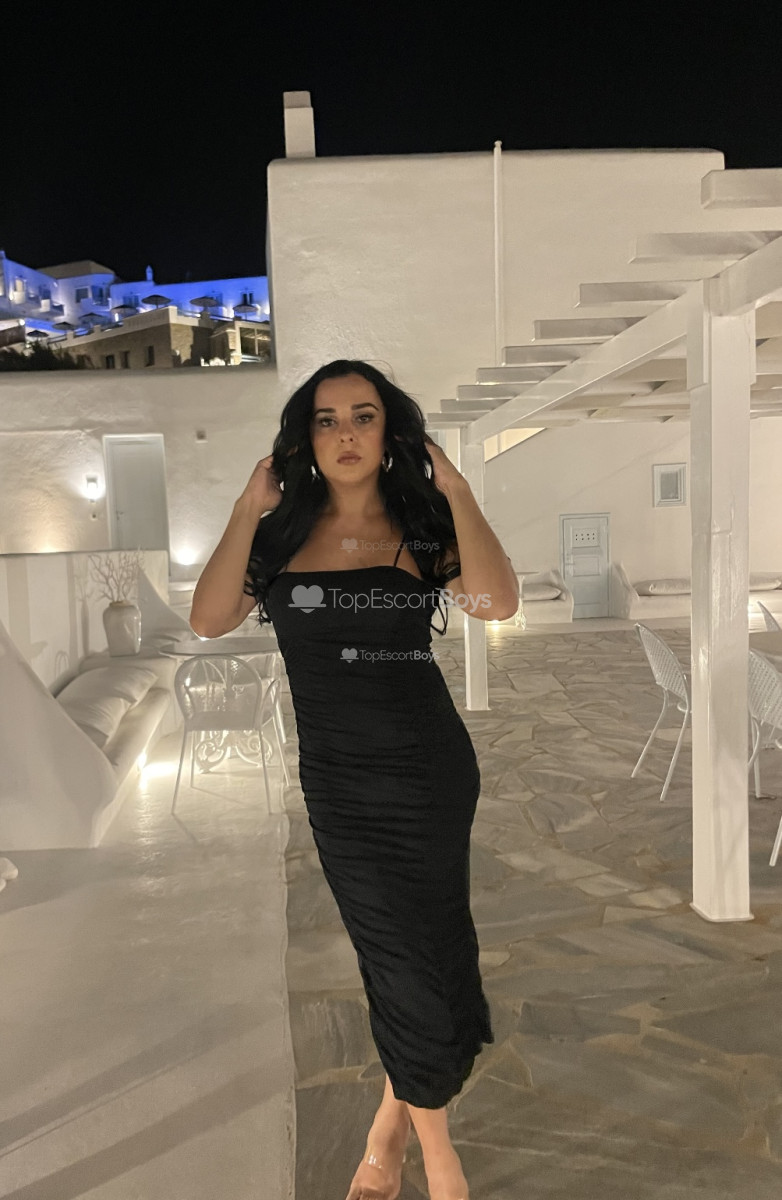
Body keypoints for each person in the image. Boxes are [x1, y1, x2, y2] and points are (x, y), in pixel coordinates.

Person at [191, 360, 519, 1200]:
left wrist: (459, 492)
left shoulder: (419, 527)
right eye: (327, 418)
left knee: (420, 948)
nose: (345, 434)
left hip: (429, 771)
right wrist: (245, 508)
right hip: (339, 782)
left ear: (389, 433)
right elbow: (209, 619)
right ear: (303, 438)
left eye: (363, 416)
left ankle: (412, 1149)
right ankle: (409, 1141)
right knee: (397, 953)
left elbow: (494, 603)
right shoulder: (278, 538)